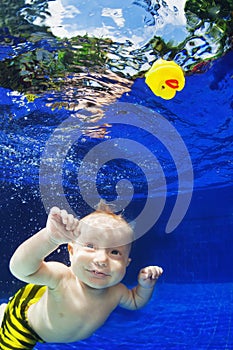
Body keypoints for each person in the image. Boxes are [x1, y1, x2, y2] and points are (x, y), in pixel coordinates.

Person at [0, 202, 163, 349]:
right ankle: (4, 314)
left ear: (127, 262)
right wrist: (50, 239)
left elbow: (135, 302)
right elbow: (20, 270)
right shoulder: (63, 278)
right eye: (91, 246)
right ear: (71, 251)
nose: (101, 260)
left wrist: (145, 287)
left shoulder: (117, 291)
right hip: (26, 325)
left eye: (115, 252)